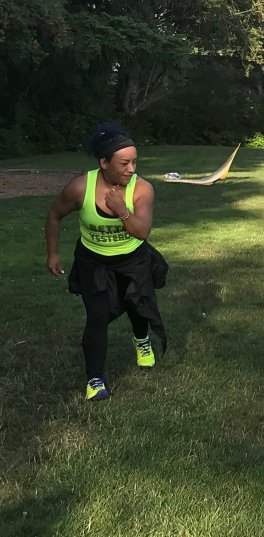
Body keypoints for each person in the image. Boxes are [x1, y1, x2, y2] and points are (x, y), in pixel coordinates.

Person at [45, 122, 168, 400]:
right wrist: (52, 253)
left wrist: (122, 211)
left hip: (133, 259)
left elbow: (142, 232)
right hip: (94, 262)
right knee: (97, 317)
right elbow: (54, 215)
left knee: (137, 305)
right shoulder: (80, 188)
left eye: (135, 162)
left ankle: (141, 340)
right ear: (103, 162)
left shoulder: (142, 190)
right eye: (124, 163)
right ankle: (95, 380)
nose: (131, 169)